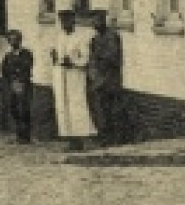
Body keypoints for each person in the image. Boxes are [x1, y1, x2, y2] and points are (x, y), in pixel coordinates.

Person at [50, 10, 98, 151]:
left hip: (75, 76)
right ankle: (70, 139)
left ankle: (79, 140)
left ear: (73, 21)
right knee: (63, 107)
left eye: (68, 21)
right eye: (63, 21)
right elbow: (56, 55)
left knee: (76, 106)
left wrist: (73, 62)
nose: (65, 24)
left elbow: (85, 58)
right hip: (61, 75)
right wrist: (55, 57)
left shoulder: (80, 38)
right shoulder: (59, 37)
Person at [88, 10, 127, 146]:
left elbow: (114, 57)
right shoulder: (94, 39)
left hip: (111, 79)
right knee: (102, 110)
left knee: (114, 109)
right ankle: (105, 137)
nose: (94, 24)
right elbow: (92, 59)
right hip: (99, 80)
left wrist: (100, 60)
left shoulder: (112, 37)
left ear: (103, 20)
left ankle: (117, 138)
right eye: (93, 21)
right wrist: (93, 74)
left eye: (97, 20)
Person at [0, 31, 35, 144]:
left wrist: (19, 76)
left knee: (24, 110)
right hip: (12, 85)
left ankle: (26, 136)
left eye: (15, 39)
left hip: (24, 84)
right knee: (14, 109)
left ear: (19, 40)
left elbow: (27, 66)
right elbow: (4, 69)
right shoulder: (8, 56)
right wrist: (11, 79)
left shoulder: (26, 53)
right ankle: (19, 134)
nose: (12, 42)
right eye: (10, 40)